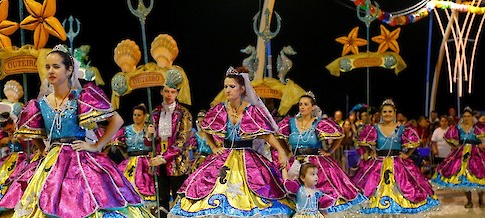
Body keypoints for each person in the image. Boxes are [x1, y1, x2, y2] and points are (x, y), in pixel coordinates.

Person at [0, 44, 153, 217]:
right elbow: (31, 130)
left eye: (56, 66)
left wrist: (96, 146)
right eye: (47, 67)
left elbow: (117, 120)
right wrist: (41, 148)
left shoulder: (81, 97)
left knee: (86, 201)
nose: (51, 71)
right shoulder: (40, 104)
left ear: (69, 70)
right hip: (52, 161)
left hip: (79, 158)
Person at [168, 66, 294, 217]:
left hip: (248, 157)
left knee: (254, 195)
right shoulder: (220, 109)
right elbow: (205, 127)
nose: (228, 90)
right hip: (224, 156)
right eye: (226, 86)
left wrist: (281, 151)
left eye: (232, 86)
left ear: (242, 89)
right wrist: (214, 147)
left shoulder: (251, 110)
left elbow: (267, 135)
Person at [278, 92, 365, 213]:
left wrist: (330, 151)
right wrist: (287, 152)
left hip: (316, 162)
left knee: (322, 194)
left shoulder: (319, 122)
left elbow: (339, 134)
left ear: (313, 107)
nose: (302, 107)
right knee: (290, 193)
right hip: (295, 161)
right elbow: (279, 136)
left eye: (306, 104)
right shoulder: (291, 123)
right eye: (300, 104)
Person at [352, 98, 439, 214]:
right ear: (381, 113)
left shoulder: (402, 129)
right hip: (378, 165)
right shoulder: (374, 128)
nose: (387, 114)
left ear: (395, 112)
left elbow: (415, 142)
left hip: (398, 165)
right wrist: (370, 152)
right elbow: (363, 141)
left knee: (401, 194)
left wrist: (408, 154)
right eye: (385, 112)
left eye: (390, 111)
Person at [148, 68, 193, 217]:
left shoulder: (184, 113)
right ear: (161, 91)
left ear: (177, 94)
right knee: (162, 200)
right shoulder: (154, 113)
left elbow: (181, 142)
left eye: (173, 92)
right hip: (159, 165)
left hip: (178, 164)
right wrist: (149, 136)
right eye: (166, 91)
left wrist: (163, 157)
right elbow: (149, 143)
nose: (169, 95)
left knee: (180, 199)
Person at [432, 106, 484, 208]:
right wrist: (455, 147)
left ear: (472, 117)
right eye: (464, 116)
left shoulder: (478, 127)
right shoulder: (458, 128)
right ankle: (469, 201)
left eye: (469, 116)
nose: (467, 118)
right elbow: (447, 137)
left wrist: (481, 145)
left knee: (479, 176)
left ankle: (480, 198)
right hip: (461, 155)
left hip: (476, 154)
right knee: (464, 179)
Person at [114, 103, 156, 210]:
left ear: (144, 116)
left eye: (139, 115)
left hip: (145, 161)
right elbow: (116, 142)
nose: (136, 117)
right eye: (134, 115)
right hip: (130, 161)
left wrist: (150, 136)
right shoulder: (126, 130)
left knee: (145, 185)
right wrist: (125, 154)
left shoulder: (149, 129)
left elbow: (152, 144)